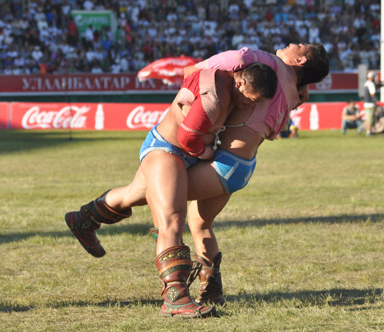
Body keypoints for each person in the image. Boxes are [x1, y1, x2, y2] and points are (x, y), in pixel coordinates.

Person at [64, 43, 329, 308]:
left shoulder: (261, 61)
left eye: (299, 46)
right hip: (240, 166)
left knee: (162, 208)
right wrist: (301, 86)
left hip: (209, 160)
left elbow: (199, 69)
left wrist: (202, 70)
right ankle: (211, 291)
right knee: (188, 218)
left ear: (301, 60)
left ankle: (173, 295)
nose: (290, 44)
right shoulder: (295, 93)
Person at [363, 72, 377, 137]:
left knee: (369, 118)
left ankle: (370, 131)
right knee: (370, 118)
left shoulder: (366, 83)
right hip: (370, 104)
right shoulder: (371, 84)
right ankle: (369, 131)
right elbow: (372, 94)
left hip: (366, 104)